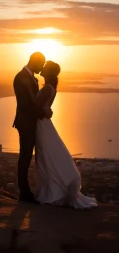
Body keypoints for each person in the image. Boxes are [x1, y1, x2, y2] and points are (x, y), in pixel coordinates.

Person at [27, 60, 98, 209]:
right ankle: (50, 191)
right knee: (46, 157)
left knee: (45, 157)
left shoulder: (47, 88)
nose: (43, 68)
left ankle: (50, 193)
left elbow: (33, 105)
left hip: (41, 125)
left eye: (46, 67)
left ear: (50, 72)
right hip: (44, 123)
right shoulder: (51, 87)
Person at [13, 52, 52, 203]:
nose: (42, 68)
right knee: (25, 157)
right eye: (41, 64)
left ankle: (28, 192)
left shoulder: (28, 77)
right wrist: (43, 113)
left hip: (29, 122)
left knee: (27, 157)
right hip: (25, 123)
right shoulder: (22, 77)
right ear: (34, 62)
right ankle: (24, 193)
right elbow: (25, 104)